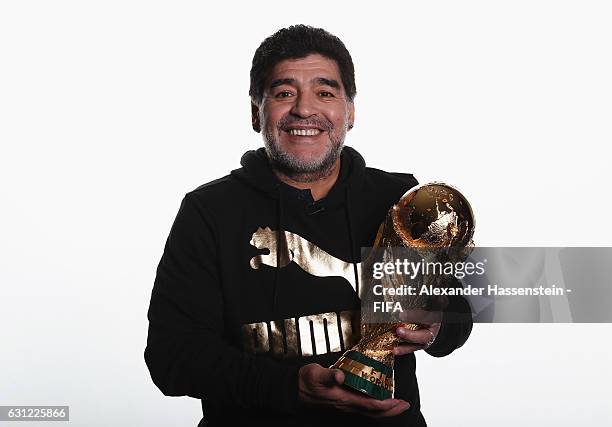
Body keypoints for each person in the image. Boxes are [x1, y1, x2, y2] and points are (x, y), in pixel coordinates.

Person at [145, 24, 472, 427]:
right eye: (284, 93)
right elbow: (171, 356)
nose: (304, 109)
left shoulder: (399, 197)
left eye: (325, 92)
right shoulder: (208, 211)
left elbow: (458, 309)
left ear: (349, 111)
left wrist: (437, 325)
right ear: (255, 113)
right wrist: (288, 388)